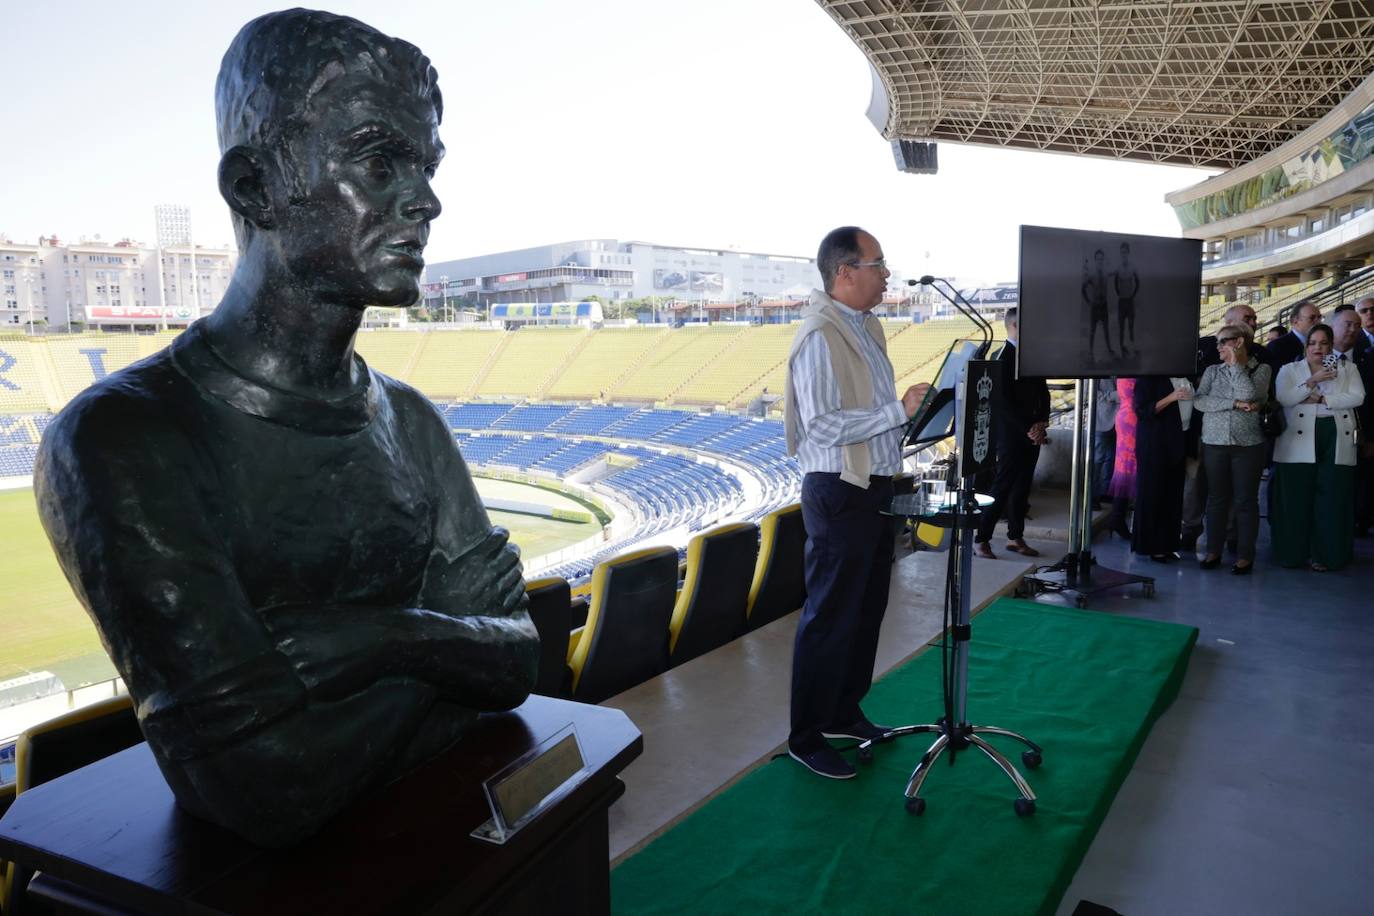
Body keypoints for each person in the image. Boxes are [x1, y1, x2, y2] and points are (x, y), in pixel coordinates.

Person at [32, 10, 539, 848]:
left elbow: (520, 662)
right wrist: (453, 654)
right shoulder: (120, 442)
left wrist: (381, 640)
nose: (427, 199)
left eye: (426, 165)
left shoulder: (407, 420)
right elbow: (268, 780)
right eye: (381, 161)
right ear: (254, 188)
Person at [783, 226, 929, 780]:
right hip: (840, 491)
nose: (887, 273)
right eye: (878, 263)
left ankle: (842, 710)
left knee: (865, 611)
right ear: (845, 272)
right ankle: (805, 733)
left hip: (874, 487)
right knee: (829, 616)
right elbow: (821, 426)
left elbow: (866, 415)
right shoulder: (821, 333)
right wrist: (898, 410)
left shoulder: (865, 327)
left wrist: (910, 421)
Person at [1270, 322, 1366, 569]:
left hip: (1337, 436)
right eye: (1313, 343)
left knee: (1332, 498)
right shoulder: (1289, 370)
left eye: (1324, 343)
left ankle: (1327, 556)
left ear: (1331, 345)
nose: (1318, 348)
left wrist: (1323, 398)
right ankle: (1291, 554)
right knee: (1295, 498)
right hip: (1297, 440)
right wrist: (1312, 381)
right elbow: (1285, 397)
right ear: (1306, 345)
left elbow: (1357, 397)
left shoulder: (1348, 368)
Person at [1193, 324, 1272, 574]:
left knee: (1246, 501)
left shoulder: (1262, 369)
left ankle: (1245, 556)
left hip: (1248, 445)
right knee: (1216, 500)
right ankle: (1213, 551)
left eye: (1222, 342)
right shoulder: (1212, 371)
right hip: (1214, 442)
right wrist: (1234, 403)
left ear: (1238, 342)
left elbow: (1250, 395)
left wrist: (1237, 367)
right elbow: (1199, 401)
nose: (1217, 348)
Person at [974, 308, 1050, 559]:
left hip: (1032, 433)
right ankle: (981, 538)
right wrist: (1028, 428)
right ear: (1015, 326)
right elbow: (1002, 402)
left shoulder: (1033, 356)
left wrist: (1042, 422)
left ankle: (1015, 537)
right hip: (1011, 434)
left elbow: (1044, 392)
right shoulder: (1002, 358)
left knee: (1022, 486)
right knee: (1002, 486)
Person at [1130, 376, 1190, 561]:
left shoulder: (1187, 378)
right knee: (1153, 494)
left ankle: (1168, 544)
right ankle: (1151, 546)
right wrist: (1171, 398)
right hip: (1155, 444)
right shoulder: (1149, 378)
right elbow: (1142, 411)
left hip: (1178, 442)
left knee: (1172, 495)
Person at [1106, 376, 1138, 540]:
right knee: (1130, 469)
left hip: (1126, 416)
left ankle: (1117, 518)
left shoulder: (1125, 369)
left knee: (1126, 468)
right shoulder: (1132, 371)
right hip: (1132, 418)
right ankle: (1117, 518)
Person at [1266, 299, 1321, 366]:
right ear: (1295, 322)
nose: (1318, 322)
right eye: (1312, 318)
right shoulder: (1277, 347)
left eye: (1319, 317)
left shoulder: (1325, 344)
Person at [1083, 249, 1114, 361]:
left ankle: (1109, 349)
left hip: (1104, 306)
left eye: (1102, 259)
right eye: (1098, 259)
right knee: (1092, 330)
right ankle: (1090, 352)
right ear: (1095, 260)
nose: (1100, 261)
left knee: (1106, 330)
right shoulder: (1091, 275)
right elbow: (1083, 288)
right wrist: (1088, 301)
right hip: (1095, 306)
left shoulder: (1106, 273)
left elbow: (1114, 272)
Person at [1093, 379, 1119, 508]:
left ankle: (1106, 492)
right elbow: (1091, 393)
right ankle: (1092, 496)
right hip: (1101, 420)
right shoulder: (1096, 368)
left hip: (1121, 421)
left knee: (1112, 459)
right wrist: (1116, 395)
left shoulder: (1125, 366)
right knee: (1097, 460)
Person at [1113, 242, 1140, 357]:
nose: (1123, 254)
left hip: (1129, 301)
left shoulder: (1132, 266)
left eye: (1125, 252)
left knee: (1131, 326)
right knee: (1121, 327)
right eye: (1122, 252)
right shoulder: (1118, 267)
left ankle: (1132, 349)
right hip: (1122, 301)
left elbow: (1137, 282)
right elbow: (1115, 282)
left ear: (1128, 253)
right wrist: (1119, 293)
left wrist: (1133, 294)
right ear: (1120, 253)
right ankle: (1121, 349)